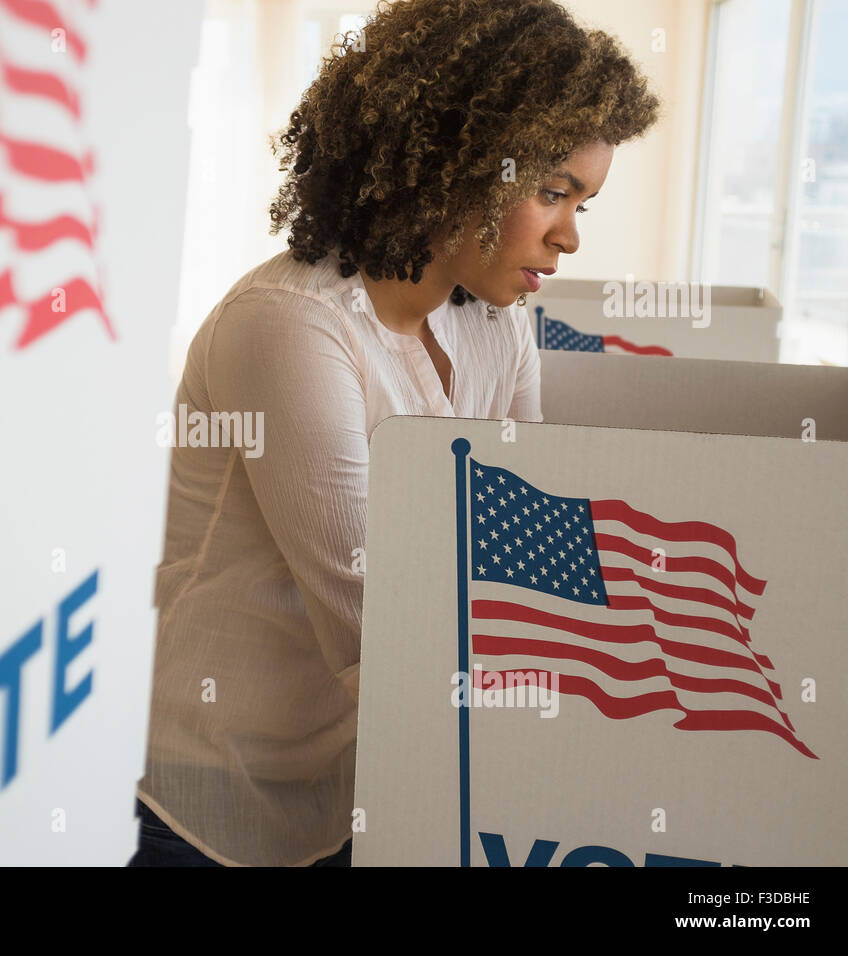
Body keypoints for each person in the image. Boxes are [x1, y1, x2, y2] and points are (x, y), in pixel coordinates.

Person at [130, 0, 660, 867]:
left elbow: (515, 553)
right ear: (459, 161)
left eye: (583, 204)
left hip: (364, 780)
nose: (567, 234)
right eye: (553, 191)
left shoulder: (499, 317)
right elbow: (382, 627)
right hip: (209, 797)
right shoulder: (291, 328)